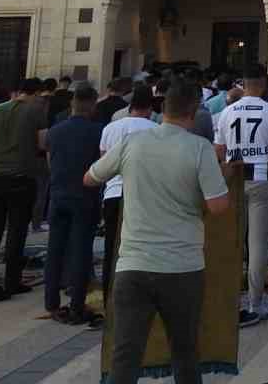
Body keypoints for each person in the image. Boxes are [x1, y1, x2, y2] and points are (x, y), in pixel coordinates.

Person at [85, 79, 231, 384]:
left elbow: (91, 177)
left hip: (133, 265)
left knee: (125, 355)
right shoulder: (199, 148)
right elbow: (218, 206)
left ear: (162, 108)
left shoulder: (133, 143)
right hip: (182, 267)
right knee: (185, 352)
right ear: (193, 111)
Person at [215, 69, 268, 324]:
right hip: (262, 177)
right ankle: (254, 303)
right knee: (258, 244)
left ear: (243, 85)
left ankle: (230, 299)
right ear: (264, 86)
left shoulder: (228, 111)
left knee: (234, 242)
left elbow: (219, 150)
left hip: (234, 179)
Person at [0, 77, 47, 303]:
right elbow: (42, 144)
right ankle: (12, 281)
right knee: (16, 231)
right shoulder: (36, 111)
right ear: (35, 94)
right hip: (21, 177)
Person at [43, 85, 103, 323]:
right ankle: (77, 304)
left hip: (58, 195)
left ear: (72, 104)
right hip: (85, 196)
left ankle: (51, 303)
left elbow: (50, 162)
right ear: (92, 104)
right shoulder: (98, 131)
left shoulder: (54, 131)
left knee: (55, 249)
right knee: (81, 251)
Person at [99, 86, 157, 299]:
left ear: (130, 106)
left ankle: (109, 295)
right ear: (150, 108)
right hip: (143, 196)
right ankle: (138, 297)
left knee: (112, 248)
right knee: (141, 250)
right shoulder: (155, 129)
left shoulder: (110, 128)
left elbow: (104, 162)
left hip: (113, 193)